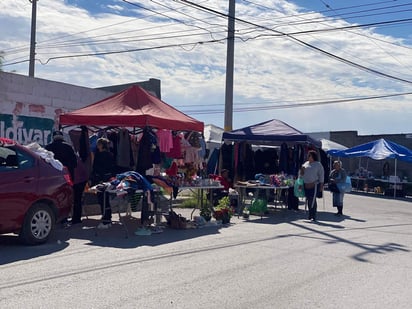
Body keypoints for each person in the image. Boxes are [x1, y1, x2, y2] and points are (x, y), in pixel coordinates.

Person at [91, 137, 116, 229]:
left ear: (100, 145)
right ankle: (107, 218)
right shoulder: (110, 154)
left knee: (102, 200)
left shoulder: (99, 155)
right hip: (108, 179)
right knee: (106, 200)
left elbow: (96, 167)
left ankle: (106, 219)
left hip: (100, 180)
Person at [301, 150, 324, 222]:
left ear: (313, 156)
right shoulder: (306, 163)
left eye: (309, 155)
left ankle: (313, 215)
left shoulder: (318, 164)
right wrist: (301, 170)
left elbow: (321, 175)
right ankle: (310, 214)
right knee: (308, 199)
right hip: (306, 184)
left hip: (314, 185)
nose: (308, 157)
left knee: (312, 200)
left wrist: (321, 185)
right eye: (308, 155)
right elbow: (301, 174)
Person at [70, 154, 89, 225]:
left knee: (77, 200)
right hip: (81, 180)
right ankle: (76, 218)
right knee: (77, 200)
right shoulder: (76, 157)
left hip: (78, 181)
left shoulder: (71, 159)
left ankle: (76, 219)